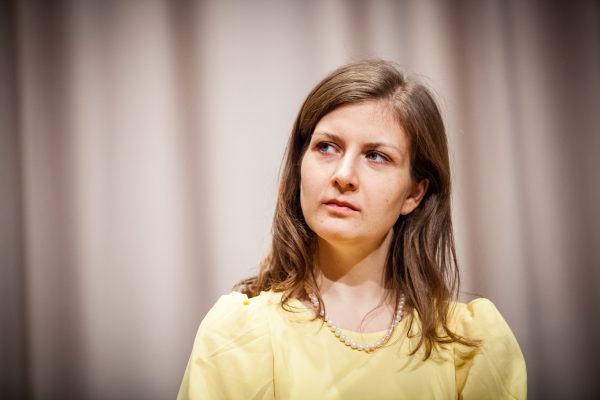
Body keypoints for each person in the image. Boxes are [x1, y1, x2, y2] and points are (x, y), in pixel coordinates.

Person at [177, 60, 526, 399]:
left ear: (414, 193)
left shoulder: (470, 343)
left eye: (376, 156)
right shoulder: (238, 335)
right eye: (326, 147)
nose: (343, 175)